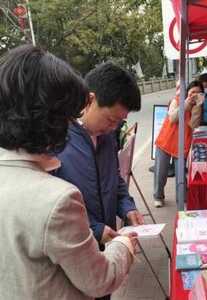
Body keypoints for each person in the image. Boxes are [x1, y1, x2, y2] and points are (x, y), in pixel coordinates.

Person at [0, 45, 136, 299]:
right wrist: (123, 244)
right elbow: (99, 280)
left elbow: (114, 180)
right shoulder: (57, 197)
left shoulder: (106, 140)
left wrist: (127, 206)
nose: (68, 125)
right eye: (66, 117)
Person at [154, 80, 203, 207]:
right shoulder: (177, 100)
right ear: (187, 92)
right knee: (161, 172)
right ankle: (158, 196)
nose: (194, 95)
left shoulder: (197, 106)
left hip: (182, 144)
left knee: (181, 175)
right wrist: (186, 104)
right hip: (166, 140)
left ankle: (181, 200)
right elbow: (173, 118)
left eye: (198, 93)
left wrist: (197, 106)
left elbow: (194, 125)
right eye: (192, 92)